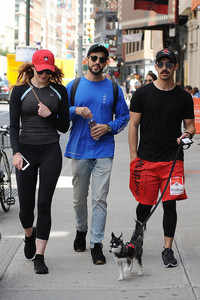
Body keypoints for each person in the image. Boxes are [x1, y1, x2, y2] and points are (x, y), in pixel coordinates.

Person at [128, 48, 195, 268]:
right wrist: (133, 158)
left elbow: (190, 126)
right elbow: (133, 127)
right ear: (155, 67)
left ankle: (167, 249)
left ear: (175, 67)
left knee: (170, 205)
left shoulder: (184, 97)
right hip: (146, 160)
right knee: (144, 205)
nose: (165, 68)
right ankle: (138, 232)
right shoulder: (142, 94)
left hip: (173, 161)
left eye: (169, 64)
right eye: (161, 64)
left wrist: (187, 134)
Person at [65, 43, 129, 265]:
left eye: (102, 59)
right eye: (94, 58)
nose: (97, 62)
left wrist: (108, 127)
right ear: (87, 59)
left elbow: (124, 117)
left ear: (106, 62)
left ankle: (97, 244)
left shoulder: (113, 88)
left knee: (100, 199)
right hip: (79, 150)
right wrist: (75, 110)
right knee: (78, 198)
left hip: (104, 150)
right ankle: (81, 230)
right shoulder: (73, 86)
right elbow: (60, 114)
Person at [9, 49, 70, 274]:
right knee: (26, 208)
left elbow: (65, 126)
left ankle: (40, 256)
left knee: (44, 204)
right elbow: (14, 126)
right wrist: (15, 152)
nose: (45, 75)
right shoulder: (19, 92)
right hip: (25, 152)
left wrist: (49, 116)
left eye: (48, 71)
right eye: (41, 71)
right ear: (33, 68)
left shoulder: (59, 91)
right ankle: (29, 235)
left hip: (50, 151)